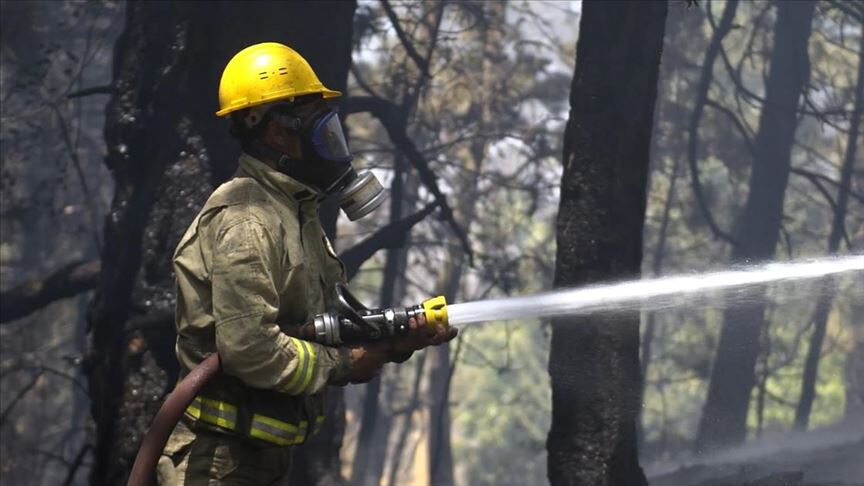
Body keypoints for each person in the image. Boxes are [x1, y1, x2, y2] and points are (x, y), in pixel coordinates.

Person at [156, 42, 457, 485]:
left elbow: (321, 325)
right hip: (215, 466)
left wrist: (393, 341)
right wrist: (344, 364)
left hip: (259, 461)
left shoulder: (295, 212)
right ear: (278, 132)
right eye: (323, 130)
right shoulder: (246, 217)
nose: (334, 146)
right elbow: (251, 349)